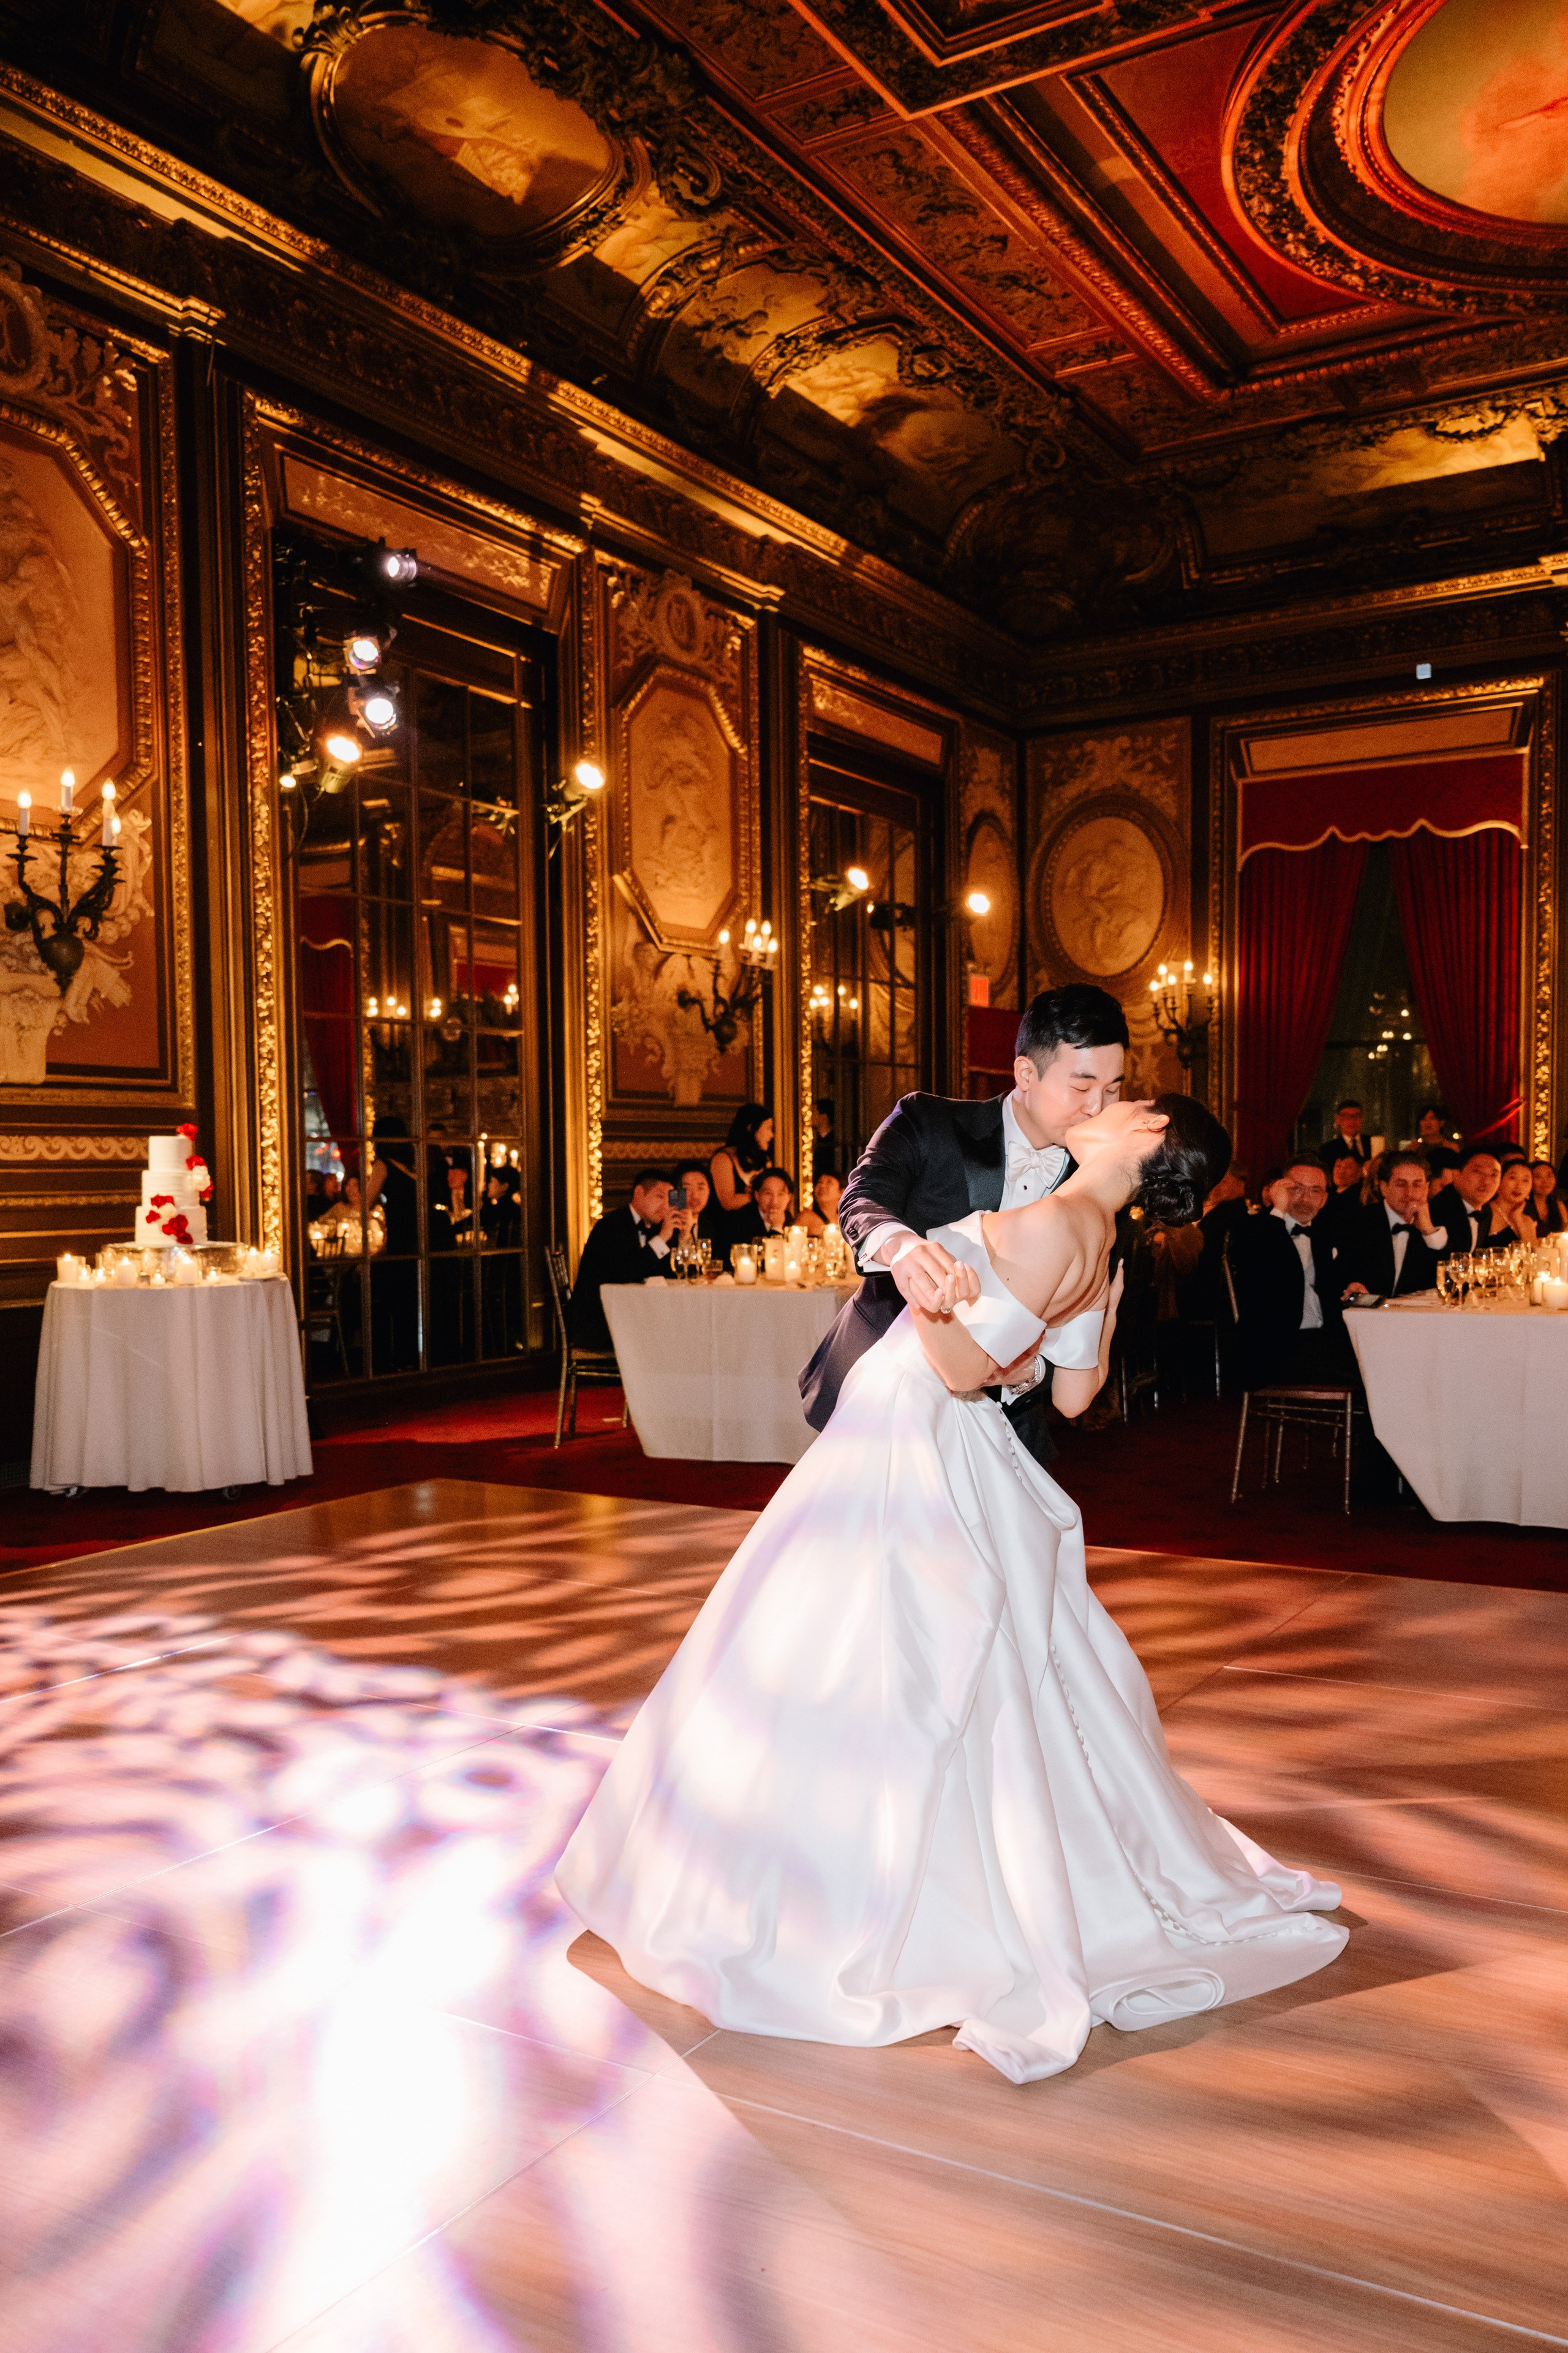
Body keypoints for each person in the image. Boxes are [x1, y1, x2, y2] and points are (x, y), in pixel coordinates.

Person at [557, 1094, 1346, 2088]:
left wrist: (928, 1284)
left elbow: (961, 1367)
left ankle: (836, 1897)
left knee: (866, 1652)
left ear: (1150, 1136)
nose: (1104, 1102)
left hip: (915, 1433)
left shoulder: (1054, 1219)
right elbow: (1073, 1394)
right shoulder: (1103, 1244)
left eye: (1126, 1100)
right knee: (964, 1661)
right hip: (954, 1442)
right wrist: (1000, 1324)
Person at [801, 983, 1129, 1471]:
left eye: (1114, 1089)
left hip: (1003, 1433)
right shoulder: (930, 1121)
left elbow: (1072, 1344)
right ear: (1026, 1073)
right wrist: (902, 1248)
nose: (1097, 1107)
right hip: (881, 1393)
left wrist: (1024, 1373)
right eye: (1082, 1088)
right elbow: (862, 1198)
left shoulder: (1100, 1190)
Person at [1228, 1155, 1351, 1388]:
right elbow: (1254, 1265)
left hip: (1322, 1342)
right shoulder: (1253, 1228)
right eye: (1296, 1189)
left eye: (1315, 1191)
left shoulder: (1327, 1235)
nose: (1305, 1198)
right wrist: (1279, 1210)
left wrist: (1350, 1287)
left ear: (1324, 1200)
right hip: (1272, 1347)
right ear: (1280, 1190)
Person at [570, 1166, 679, 1351]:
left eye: (670, 1201)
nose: (665, 1206)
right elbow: (623, 1274)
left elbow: (665, 1275)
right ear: (639, 1193)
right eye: (660, 1197)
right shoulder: (611, 1226)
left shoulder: (654, 1229)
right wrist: (661, 1239)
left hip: (630, 1315)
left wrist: (681, 1237)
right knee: (666, 1337)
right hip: (598, 1323)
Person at [1340, 1152, 1446, 1300]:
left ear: (1427, 1188)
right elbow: (1339, 1273)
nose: (1409, 1193)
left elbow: (1451, 1278)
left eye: (1417, 1185)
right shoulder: (1357, 1221)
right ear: (1384, 1188)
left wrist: (1428, 1231)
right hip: (1367, 1312)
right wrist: (1350, 1285)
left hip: (1417, 1313)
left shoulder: (1438, 1221)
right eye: (1401, 1184)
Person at [710, 1104, 773, 1244]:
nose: (772, 1135)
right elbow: (728, 1202)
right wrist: (757, 1196)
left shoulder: (765, 1161)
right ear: (751, 1128)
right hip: (728, 1234)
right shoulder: (723, 1159)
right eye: (768, 1128)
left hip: (758, 1229)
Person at [1429, 1147, 1504, 1255]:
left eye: (1494, 1175)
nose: (1486, 1181)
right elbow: (1448, 1256)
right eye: (1477, 1172)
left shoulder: (1486, 1210)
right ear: (1456, 1175)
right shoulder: (1441, 1207)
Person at [726, 1165, 797, 1244]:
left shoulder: (787, 1218)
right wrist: (777, 1228)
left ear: (789, 1197)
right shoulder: (741, 1220)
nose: (774, 1202)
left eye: (781, 1194)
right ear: (757, 1196)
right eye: (768, 1194)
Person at [1316, 1150, 1366, 1250]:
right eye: (1338, 1166)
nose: (1341, 1172)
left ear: (1360, 1171)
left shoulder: (1358, 1198)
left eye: (1348, 1168)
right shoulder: (1328, 1193)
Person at [1483, 1155, 1537, 1246]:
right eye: (1513, 1178)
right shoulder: (1485, 1212)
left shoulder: (1527, 1220)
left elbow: (1533, 1251)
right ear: (1499, 1182)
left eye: (1525, 1180)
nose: (1519, 1186)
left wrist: (1517, 1218)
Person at [671, 1160, 722, 1252]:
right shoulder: (665, 1226)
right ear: (675, 1192)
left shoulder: (717, 1225)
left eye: (701, 1188)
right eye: (687, 1188)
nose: (695, 1196)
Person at [1409, 1104, 1460, 1179]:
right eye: (1423, 1119)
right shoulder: (1414, 1147)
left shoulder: (1450, 1147)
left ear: (1441, 1123)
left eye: (1432, 1118)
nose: (1428, 1123)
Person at [1318, 1100, 1370, 1171]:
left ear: (1362, 1118)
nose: (1352, 1121)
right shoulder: (1328, 1150)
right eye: (1346, 1116)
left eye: (1356, 1116)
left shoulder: (1372, 1142)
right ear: (1338, 1120)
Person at [1528, 1159, 1568, 1235]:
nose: (1545, 1181)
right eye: (1538, 1177)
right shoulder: (1522, 1207)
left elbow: (1565, 1232)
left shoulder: (1559, 1206)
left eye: (1549, 1176)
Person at [803, 1169, 842, 1237]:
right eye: (820, 1182)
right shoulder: (806, 1217)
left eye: (829, 1183)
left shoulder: (845, 1221)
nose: (822, 1186)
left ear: (842, 1192)